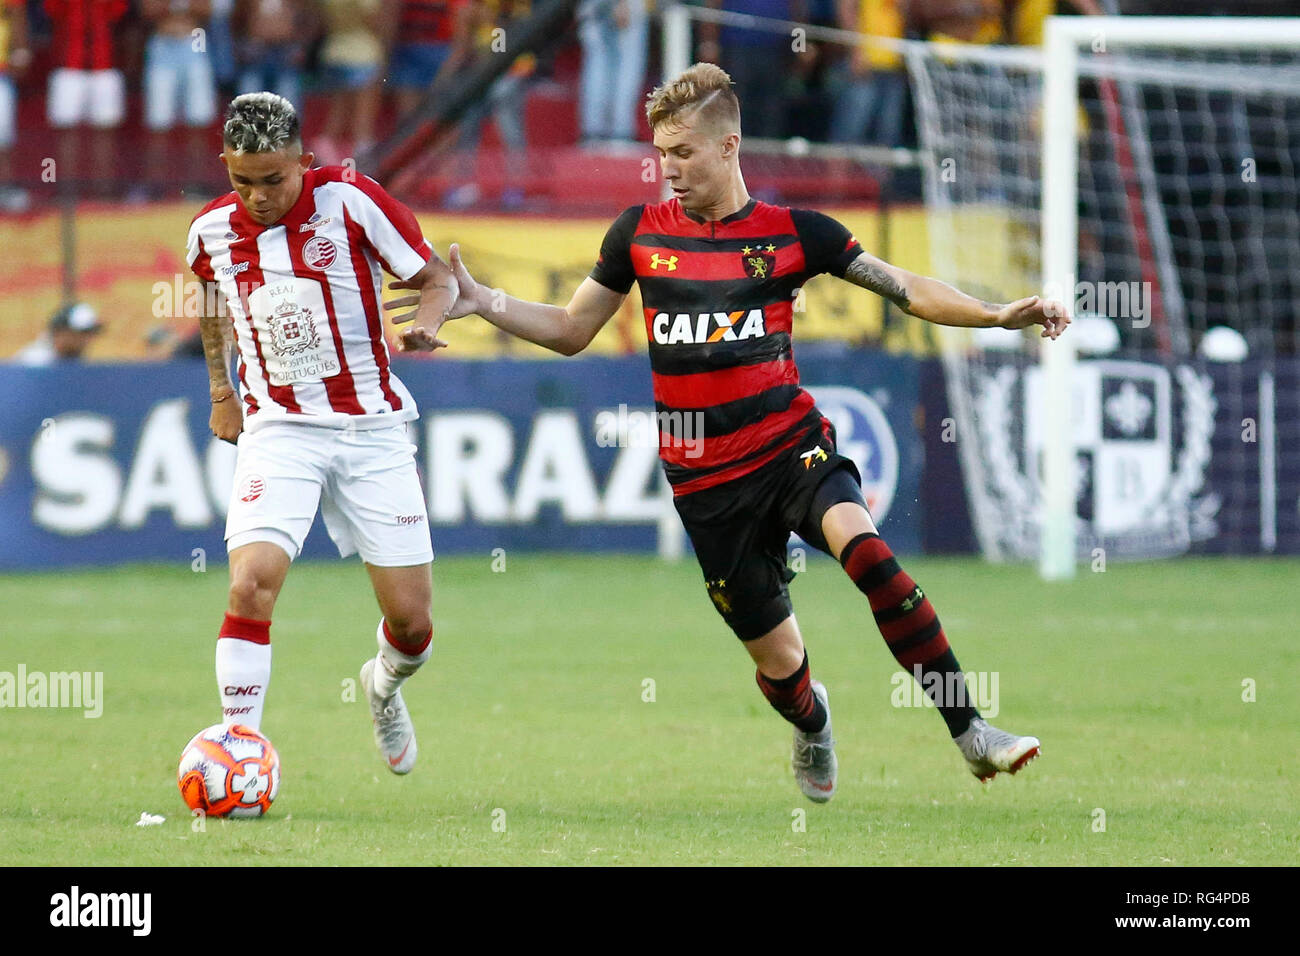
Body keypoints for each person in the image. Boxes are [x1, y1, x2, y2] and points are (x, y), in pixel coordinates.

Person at [390, 63, 1068, 800]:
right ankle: (813, 725)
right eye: (660, 152)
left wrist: (998, 315)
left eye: (682, 152)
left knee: (870, 555)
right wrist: (483, 299)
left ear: (728, 146)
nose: (667, 168)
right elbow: (570, 329)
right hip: (706, 483)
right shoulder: (640, 235)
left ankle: (971, 731)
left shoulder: (794, 235)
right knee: (781, 666)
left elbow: (906, 288)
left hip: (791, 448)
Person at [186, 93, 460, 774]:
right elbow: (213, 301)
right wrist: (222, 390)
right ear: (224, 165)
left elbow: (435, 278)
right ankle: (237, 746)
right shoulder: (208, 232)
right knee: (251, 583)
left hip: (373, 429)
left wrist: (429, 320)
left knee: (413, 624)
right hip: (279, 429)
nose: (257, 196)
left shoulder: (350, 200)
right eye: (241, 179)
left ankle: (384, 686)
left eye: (273, 180)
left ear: (304, 163)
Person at [14, 301, 103, 365]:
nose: (87, 339)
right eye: (83, 332)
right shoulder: (34, 361)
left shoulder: (76, 361)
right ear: (60, 332)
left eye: (91, 333)